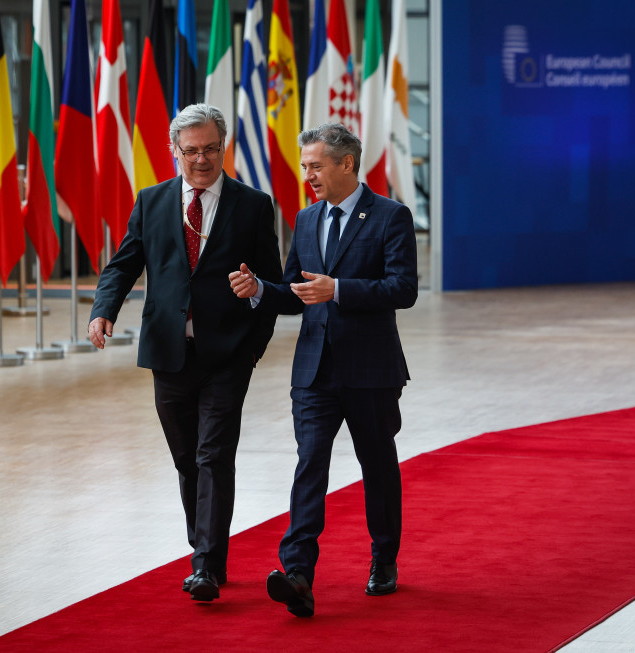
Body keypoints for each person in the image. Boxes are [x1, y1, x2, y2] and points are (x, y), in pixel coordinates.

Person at [89, 103, 282, 602]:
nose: (201, 160)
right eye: (191, 150)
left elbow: (272, 284)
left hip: (227, 355)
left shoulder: (253, 204)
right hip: (169, 352)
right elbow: (124, 264)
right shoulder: (152, 201)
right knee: (186, 459)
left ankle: (205, 568)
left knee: (213, 455)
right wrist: (103, 310)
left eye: (211, 149)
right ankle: (205, 549)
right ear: (174, 150)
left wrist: (251, 350)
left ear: (224, 148)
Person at [228, 123, 418, 617]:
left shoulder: (391, 217)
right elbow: (294, 292)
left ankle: (383, 560)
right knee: (309, 465)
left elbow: (403, 289)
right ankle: (298, 575)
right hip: (313, 372)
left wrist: (342, 289)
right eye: (304, 165)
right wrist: (260, 292)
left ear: (346, 164)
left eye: (315, 165)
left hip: (371, 370)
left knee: (377, 466)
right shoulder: (306, 219)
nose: (307, 174)